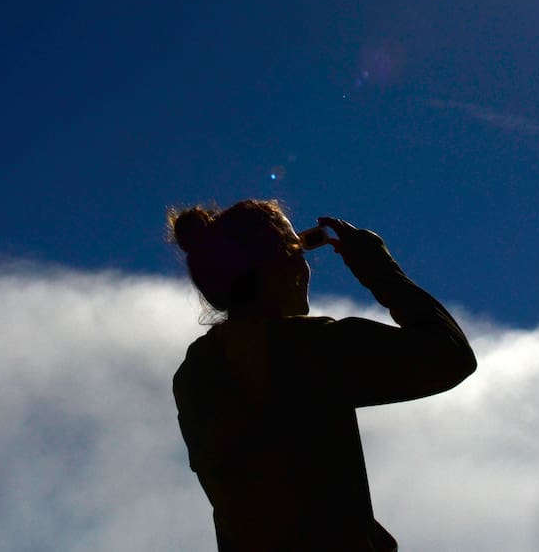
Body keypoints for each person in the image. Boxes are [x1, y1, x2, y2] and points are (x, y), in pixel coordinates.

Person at [170, 199, 477, 551]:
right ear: (283, 266)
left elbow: (277, 487)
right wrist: (380, 270)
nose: (305, 267)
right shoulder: (305, 348)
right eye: (299, 250)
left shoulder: (195, 373)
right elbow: (449, 356)